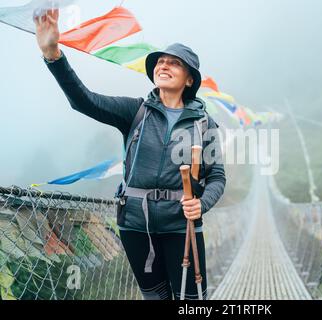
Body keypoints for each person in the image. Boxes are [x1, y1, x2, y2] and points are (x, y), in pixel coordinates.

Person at [34, 9, 226, 300]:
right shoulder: (135, 111)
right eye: (160, 61)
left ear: (190, 80)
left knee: (192, 301)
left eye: (174, 63)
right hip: (135, 225)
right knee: (154, 296)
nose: (164, 65)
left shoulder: (205, 124)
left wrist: (202, 204)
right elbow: (84, 101)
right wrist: (53, 55)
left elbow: (217, 177)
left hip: (181, 225)